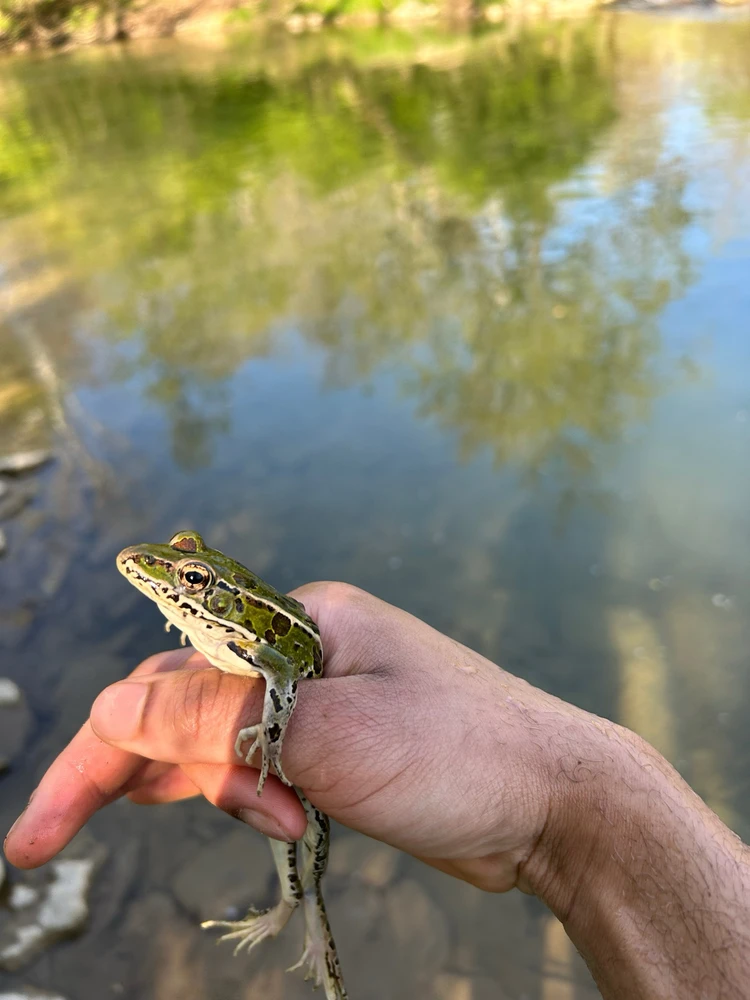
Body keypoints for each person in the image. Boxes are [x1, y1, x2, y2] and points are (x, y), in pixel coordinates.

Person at [4, 582, 750, 998]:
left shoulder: (257, 634)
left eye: (195, 580)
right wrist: (566, 823)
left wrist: (275, 731)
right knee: (284, 837)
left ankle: (314, 944)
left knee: (304, 844)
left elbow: (283, 673)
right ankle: (291, 917)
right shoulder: (216, 629)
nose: (178, 579)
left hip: (293, 738)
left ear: (220, 598)